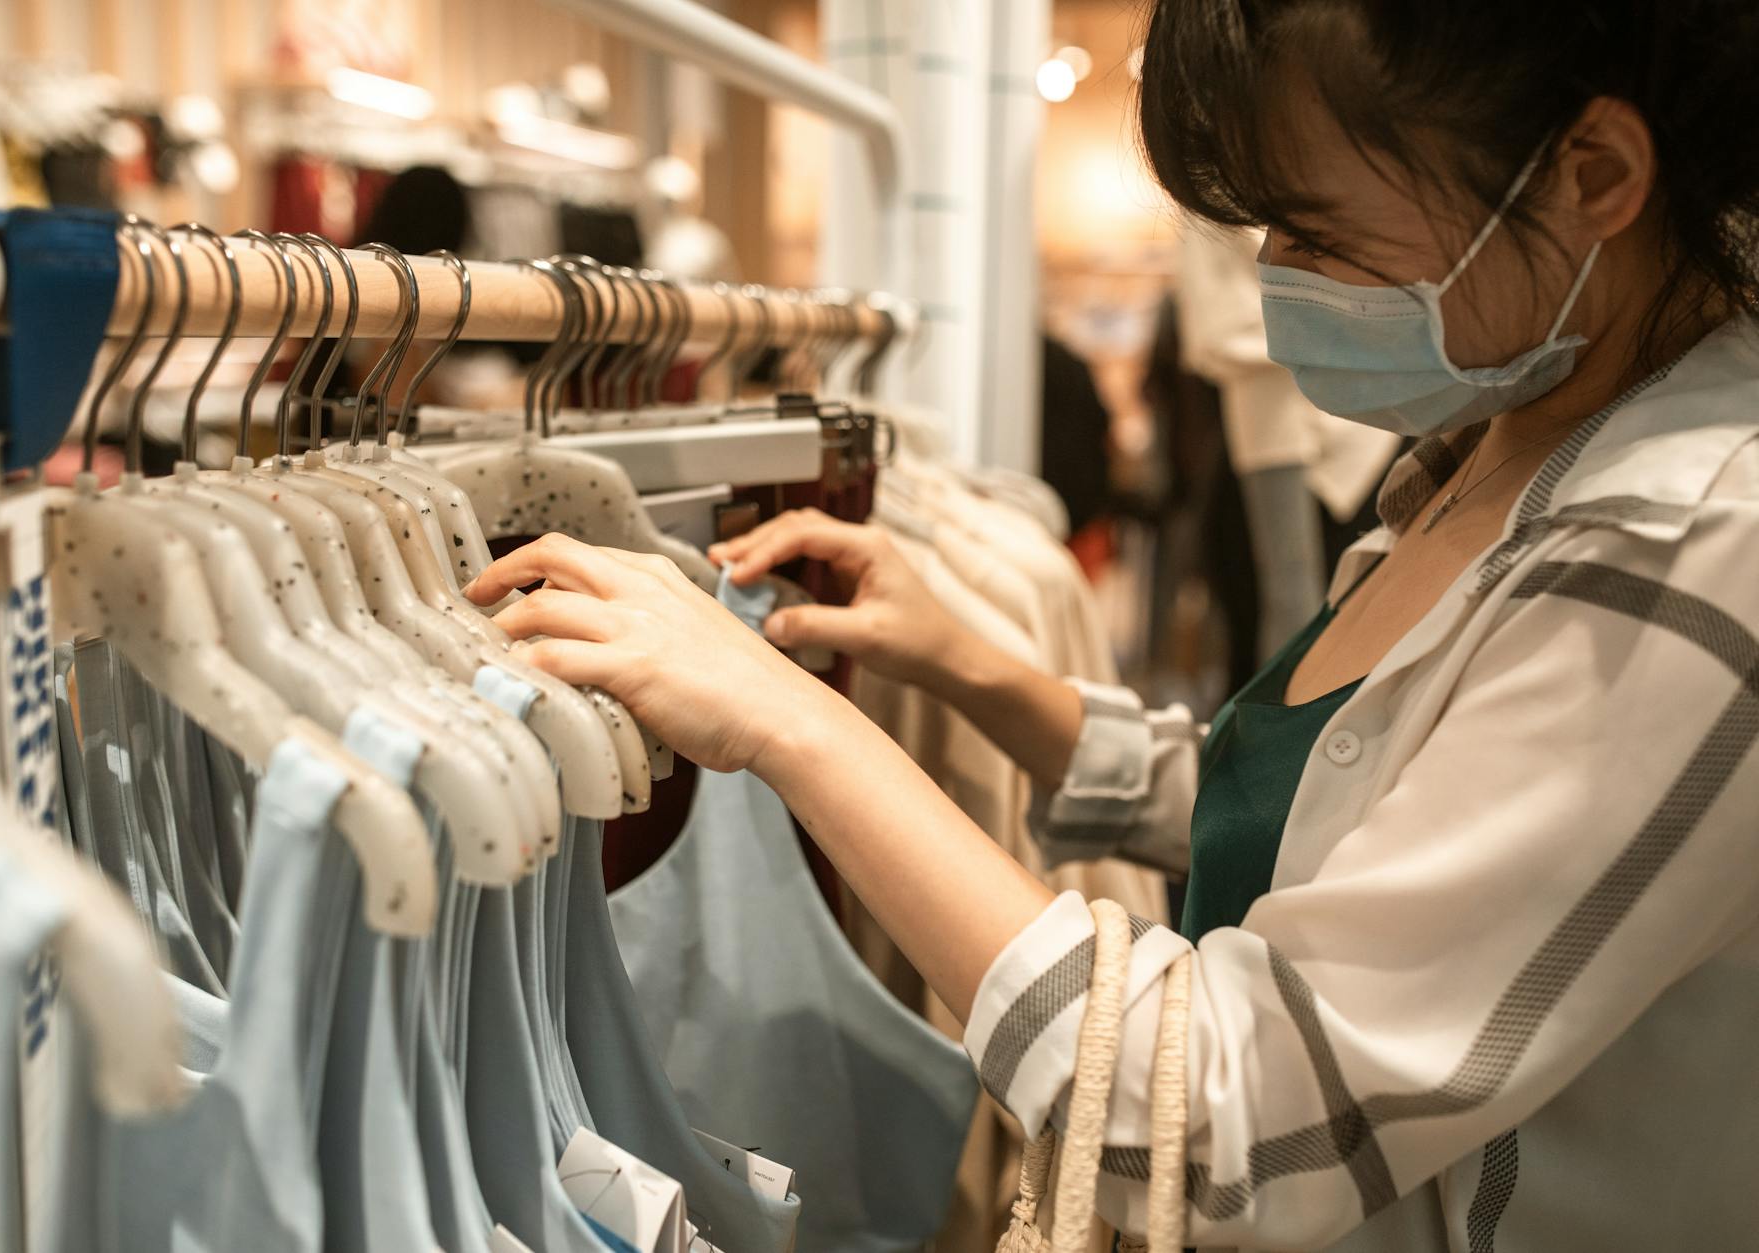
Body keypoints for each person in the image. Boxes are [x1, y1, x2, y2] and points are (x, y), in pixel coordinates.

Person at [462, 2, 1759, 1247]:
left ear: (1593, 172)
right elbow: (1345, 833)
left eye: (1313, 230)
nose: (1272, 278)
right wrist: (972, 666)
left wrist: (794, 724)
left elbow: (1235, 1121)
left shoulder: (1691, 549)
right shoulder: (1498, 442)